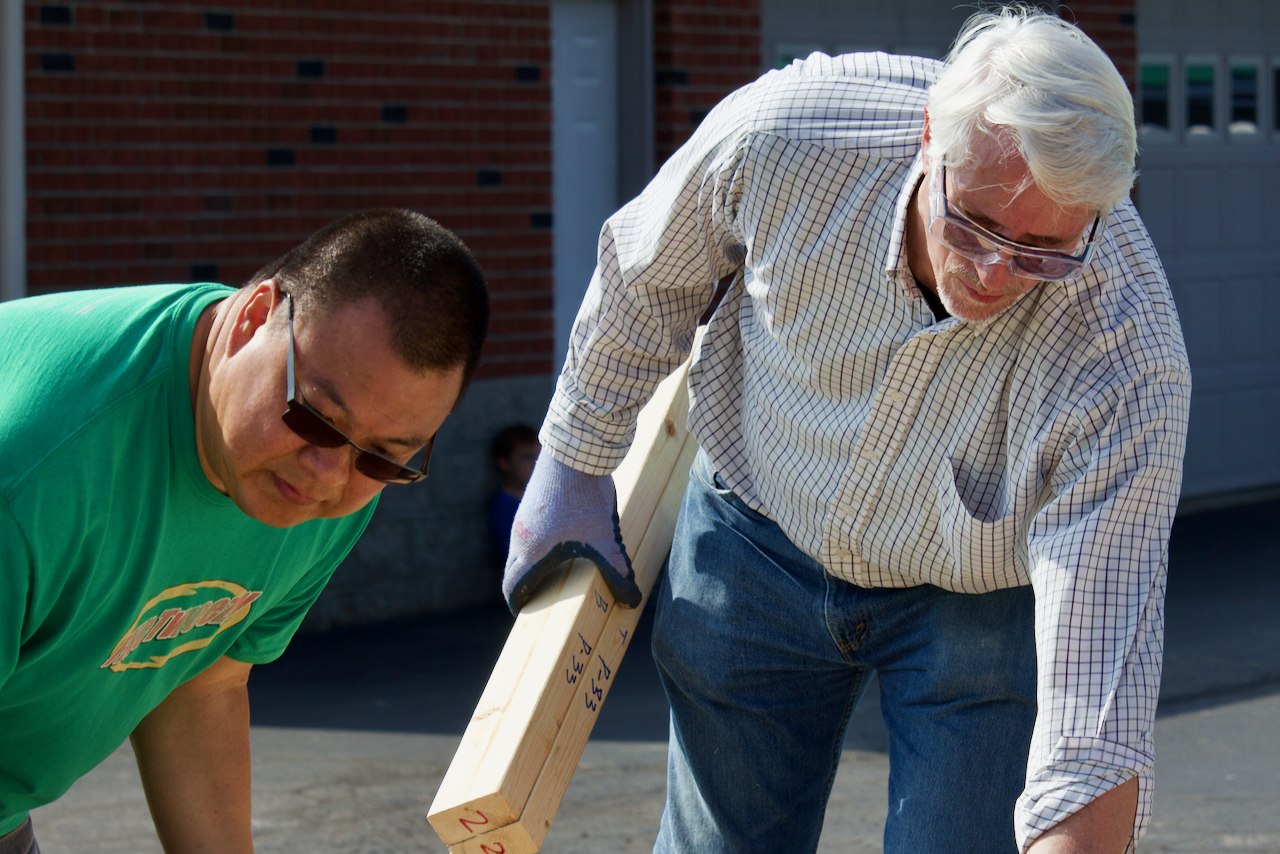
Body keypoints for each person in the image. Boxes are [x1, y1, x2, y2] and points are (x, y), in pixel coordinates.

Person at [503, 9, 1189, 854]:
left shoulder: (1126, 357)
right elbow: (651, 279)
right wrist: (573, 464)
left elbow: (1098, 698)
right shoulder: (788, 137)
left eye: (1044, 249)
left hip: (973, 600)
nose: (994, 273)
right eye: (974, 223)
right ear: (932, 136)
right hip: (754, 533)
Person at [0, 209, 488, 853]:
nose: (327, 473)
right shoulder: (34, 470)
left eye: (382, 455)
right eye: (315, 418)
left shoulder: (337, 488)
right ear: (255, 318)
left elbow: (203, 679)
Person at [488, 424, 542, 565]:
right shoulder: (504, 508)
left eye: (540, 456)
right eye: (527, 457)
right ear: (504, 462)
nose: (537, 463)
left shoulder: (545, 499)